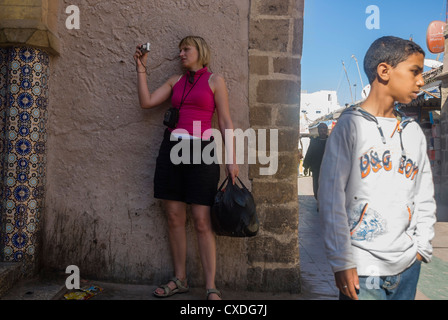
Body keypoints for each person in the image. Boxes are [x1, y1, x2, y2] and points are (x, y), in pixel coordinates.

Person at [318, 36, 437, 300]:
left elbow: (424, 194)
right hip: (361, 268)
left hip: (408, 266)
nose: (421, 81)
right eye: (414, 71)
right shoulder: (349, 127)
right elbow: (331, 197)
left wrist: (421, 247)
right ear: (384, 71)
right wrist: (341, 259)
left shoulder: (413, 132)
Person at [133, 36, 239, 300]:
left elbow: (225, 121)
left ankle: (211, 286)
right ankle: (179, 279)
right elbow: (146, 102)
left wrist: (231, 158)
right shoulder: (175, 81)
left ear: (199, 51)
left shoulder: (215, 81)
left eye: (185, 50)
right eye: (179, 50)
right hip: (172, 149)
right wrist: (141, 67)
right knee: (174, 217)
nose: (181, 54)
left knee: (203, 221)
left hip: (202, 151)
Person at [303, 123, 328, 200]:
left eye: (324, 129)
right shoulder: (314, 142)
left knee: (327, 186)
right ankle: (319, 201)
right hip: (316, 168)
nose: (323, 131)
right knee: (316, 186)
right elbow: (309, 153)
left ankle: (325, 202)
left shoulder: (331, 141)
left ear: (326, 131)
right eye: (321, 129)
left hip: (328, 168)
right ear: (318, 131)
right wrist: (306, 166)